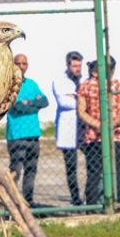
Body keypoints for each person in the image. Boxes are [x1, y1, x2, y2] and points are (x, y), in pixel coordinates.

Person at [76, 56, 120, 206]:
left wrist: (97, 125)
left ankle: (92, 206)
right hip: (115, 135)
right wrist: (112, 124)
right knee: (116, 173)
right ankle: (118, 204)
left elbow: (81, 112)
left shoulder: (85, 86)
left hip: (94, 136)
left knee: (94, 174)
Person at [5, 53, 49, 206]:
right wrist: (33, 104)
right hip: (17, 135)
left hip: (33, 134)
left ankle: (28, 201)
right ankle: (12, 202)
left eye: (24, 63)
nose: (21, 67)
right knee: (15, 171)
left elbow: (44, 101)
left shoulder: (31, 84)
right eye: (18, 63)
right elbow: (17, 107)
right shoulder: (8, 85)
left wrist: (27, 104)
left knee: (31, 170)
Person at [50, 51, 85, 205]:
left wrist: (76, 98)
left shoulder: (85, 79)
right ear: (68, 65)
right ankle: (75, 198)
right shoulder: (59, 81)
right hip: (68, 128)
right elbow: (64, 102)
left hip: (84, 127)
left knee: (94, 161)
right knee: (71, 166)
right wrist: (81, 102)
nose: (78, 69)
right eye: (75, 65)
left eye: (80, 65)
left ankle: (92, 195)